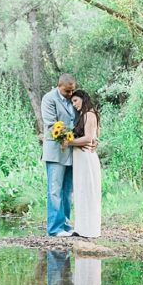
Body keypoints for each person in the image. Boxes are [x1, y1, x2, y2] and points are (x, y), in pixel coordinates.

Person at [40, 74, 95, 237]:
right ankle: (54, 228)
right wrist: (69, 139)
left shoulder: (74, 100)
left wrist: (90, 138)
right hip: (56, 151)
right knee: (54, 190)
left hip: (73, 152)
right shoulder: (48, 99)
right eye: (67, 91)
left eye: (72, 91)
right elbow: (51, 125)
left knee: (67, 190)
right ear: (59, 86)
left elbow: (83, 121)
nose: (71, 94)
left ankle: (65, 225)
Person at [63, 89, 102, 238]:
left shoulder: (90, 114)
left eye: (75, 101)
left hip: (86, 158)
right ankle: (82, 228)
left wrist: (69, 142)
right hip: (81, 159)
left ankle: (89, 230)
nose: (74, 105)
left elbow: (89, 138)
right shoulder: (85, 115)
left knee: (88, 192)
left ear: (83, 99)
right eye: (72, 102)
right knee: (81, 192)